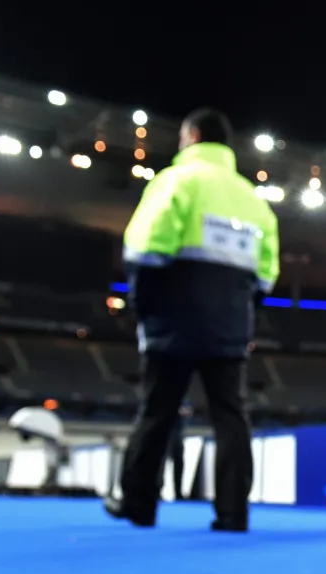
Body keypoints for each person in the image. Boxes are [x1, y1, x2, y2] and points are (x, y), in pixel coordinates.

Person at [105, 108, 278, 531]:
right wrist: (239, 308)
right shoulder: (253, 199)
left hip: (173, 316)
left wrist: (142, 308)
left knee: (157, 411)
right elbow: (267, 273)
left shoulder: (174, 181)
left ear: (192, 137)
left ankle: (139, 504)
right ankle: (234, 512)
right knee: (230, 414)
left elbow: (145, 249)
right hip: (230, 321)